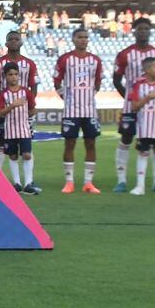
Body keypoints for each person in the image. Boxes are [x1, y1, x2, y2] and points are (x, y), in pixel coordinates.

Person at [112, 17, 155, 193]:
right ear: (134, 31)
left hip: (152, 108)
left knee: (153, 142)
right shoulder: (125, 54)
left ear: (150, 31)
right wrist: (129, 97)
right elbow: (116, 80)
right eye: (140, 29)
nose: (143, 32)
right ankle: (121, 180)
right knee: (126, 139)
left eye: (146, 29)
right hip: (131, 107)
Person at [54, 27, 103, 194]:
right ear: (73, 39)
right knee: (70, 143)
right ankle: (69, 183)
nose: (83, 40)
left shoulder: (95, 60)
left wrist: (88, 95)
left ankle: (88, 183)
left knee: (91, 143)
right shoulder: (65, 59)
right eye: (80, 37)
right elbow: (57, 82)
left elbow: (97, 83)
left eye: (85, 37)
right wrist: (67, 98)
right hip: (71, 110)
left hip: (90, 110)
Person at [0, 30, 39, 174]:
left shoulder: (29, 64)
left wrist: (29, 106)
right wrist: (2, 105)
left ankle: (29, 181)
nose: (14, 41)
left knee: (26, 147)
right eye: (11, 39)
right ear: (6, 43)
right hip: (5, 112)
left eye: (17, 39)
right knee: (0, 144)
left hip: (23, 114)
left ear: (21, 42)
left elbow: (33, 86)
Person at [125, 56, 155, 196]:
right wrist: (148, 97)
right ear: (147, 70)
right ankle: (140, 186)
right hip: (144, 127)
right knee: (143, 154)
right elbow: (134, 107)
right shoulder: (139, 86)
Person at [0, 64, 38, 194]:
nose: (13, 77)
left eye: (15, 74)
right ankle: (17, 183)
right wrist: (12, 106)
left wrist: (27, 118)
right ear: (6, 77)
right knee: (13, 156)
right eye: (10, 74)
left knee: (26, 154)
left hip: (24, 129)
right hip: (9, 130)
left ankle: (28, 183)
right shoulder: (3, 95)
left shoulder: (26, 92)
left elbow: (32, 109)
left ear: (19, 75)